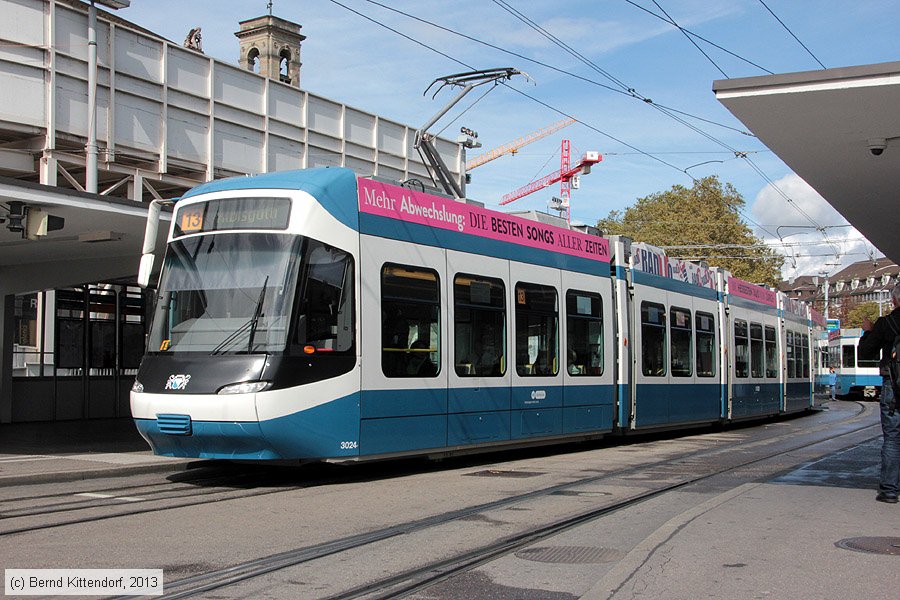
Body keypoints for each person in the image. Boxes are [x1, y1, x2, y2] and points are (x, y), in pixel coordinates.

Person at [858, 282, 900, 504]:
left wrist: (868, 332)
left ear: (894, 300)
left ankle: (890, 491)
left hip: (893, 386)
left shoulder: (887, 323)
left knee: (892, 438)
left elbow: (865, 352)